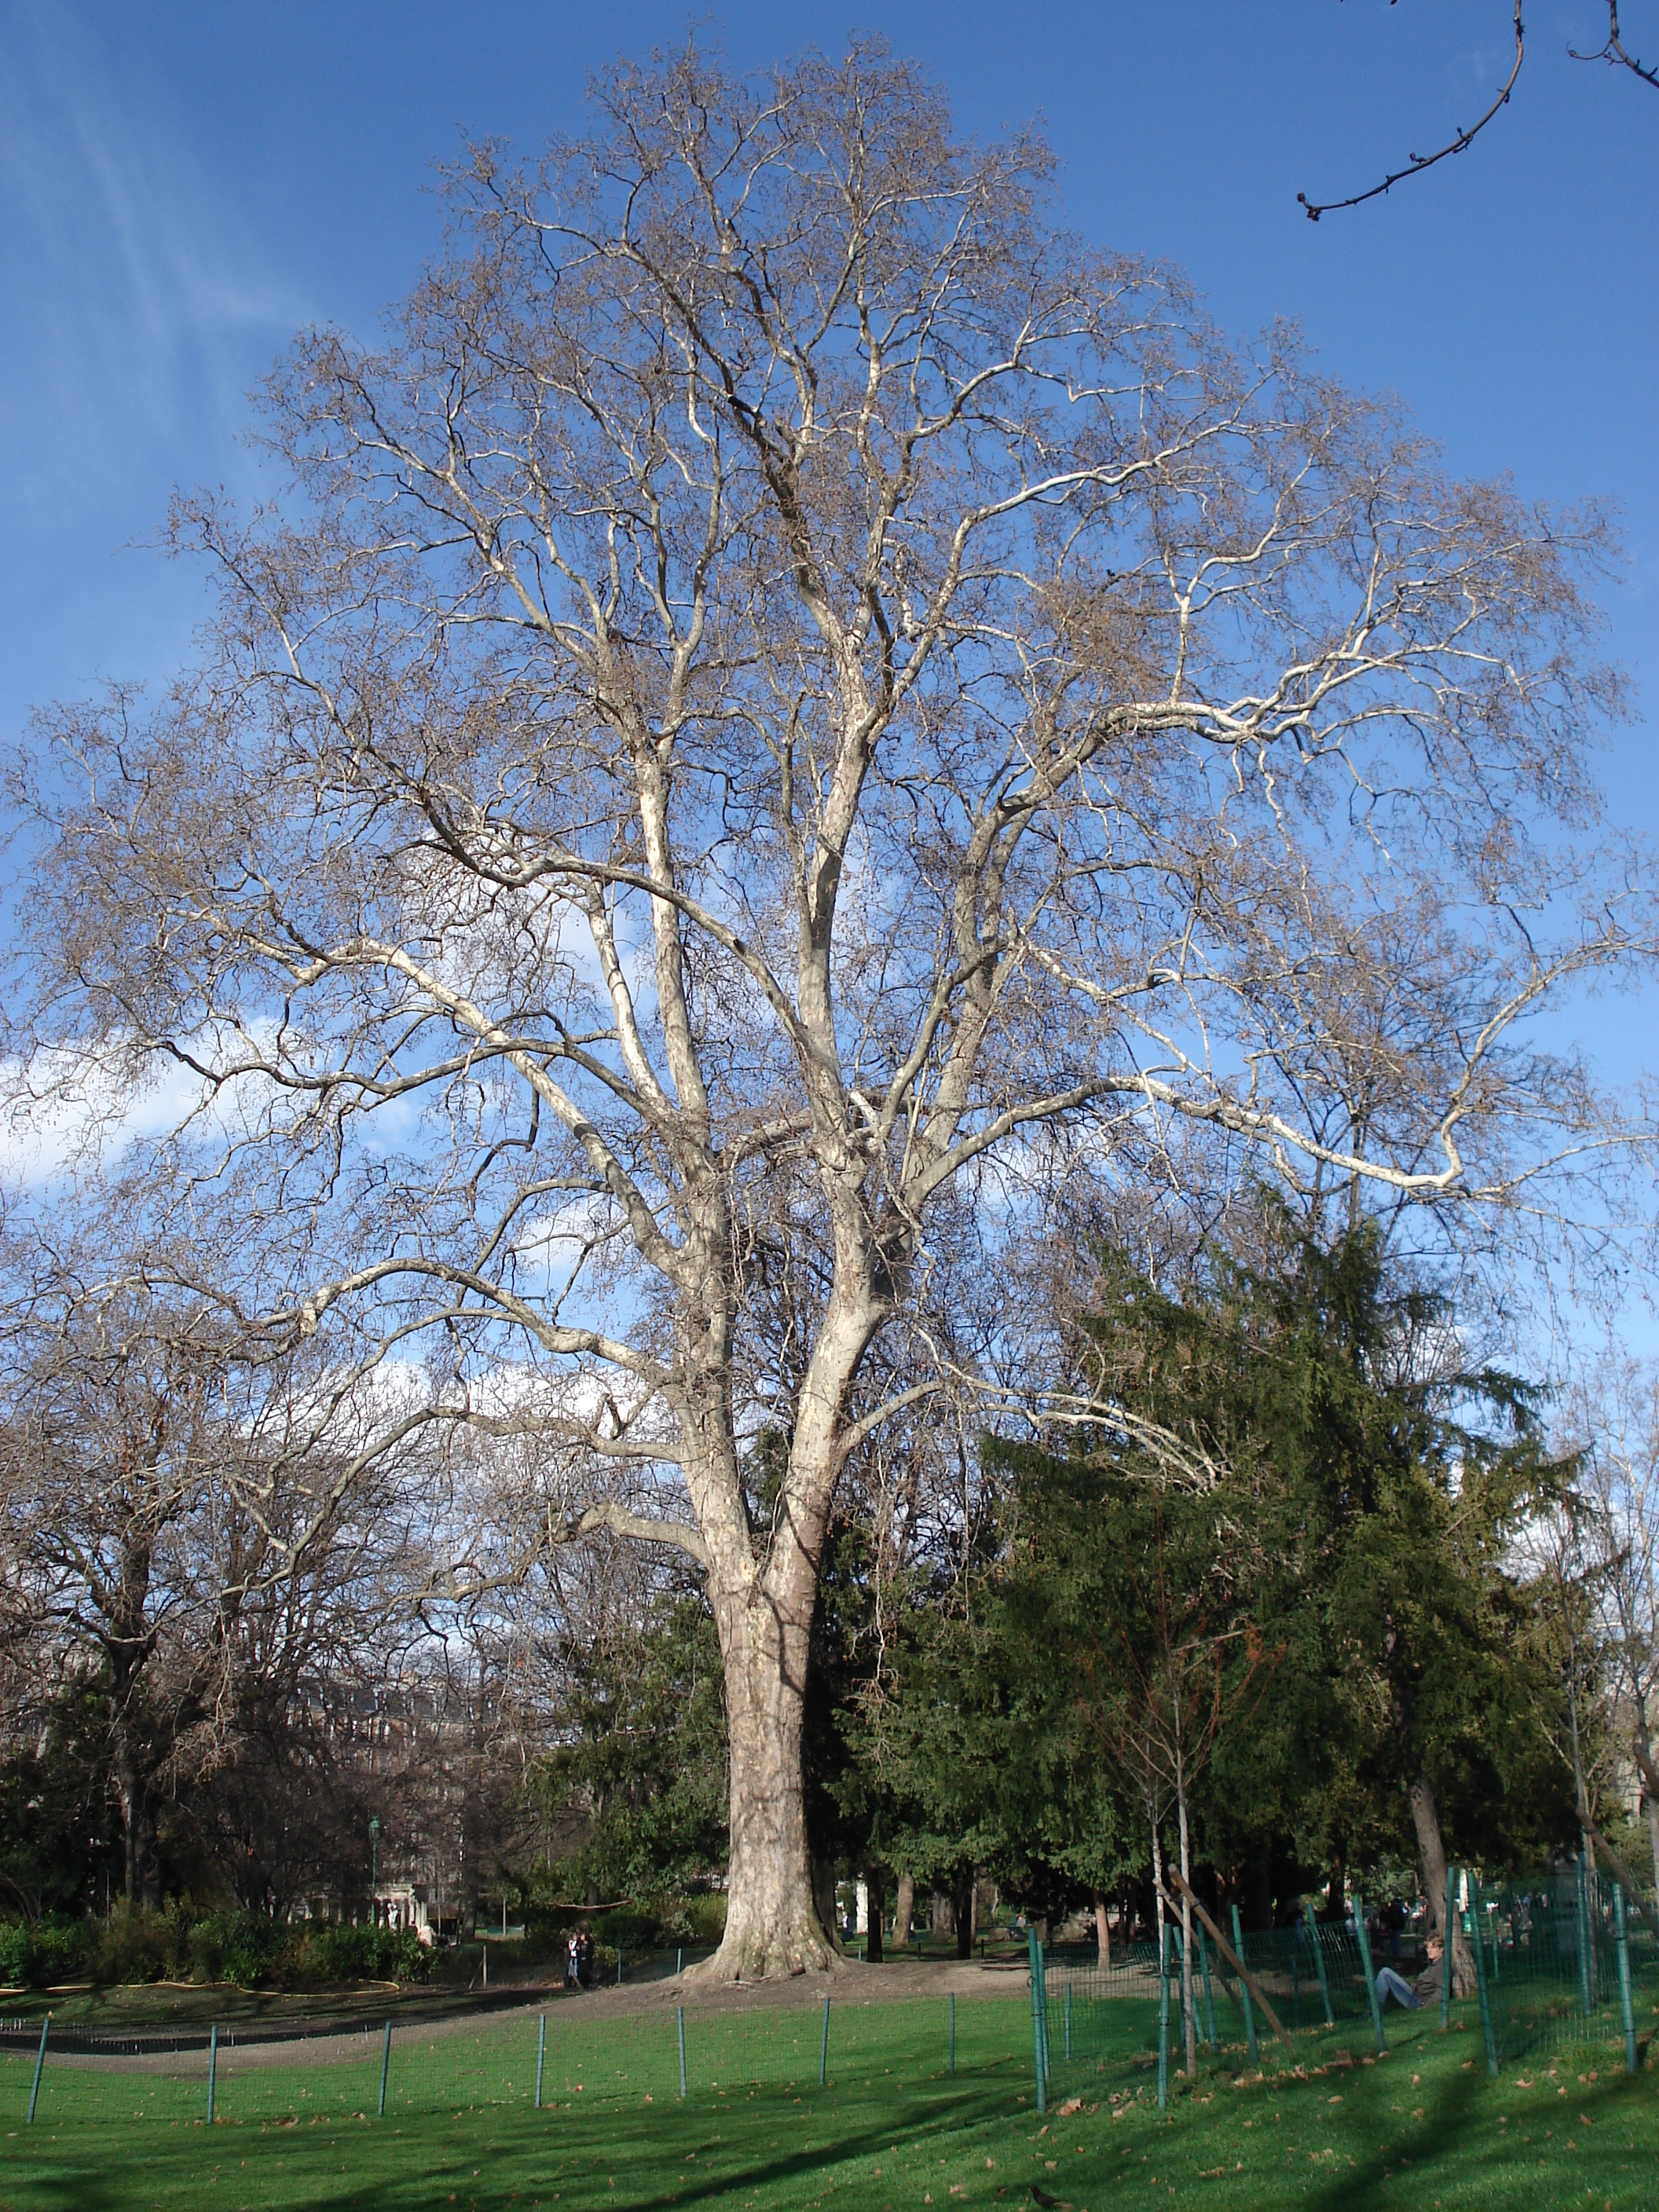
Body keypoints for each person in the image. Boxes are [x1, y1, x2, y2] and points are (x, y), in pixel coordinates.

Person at [1374, 1935, 1442, 2009]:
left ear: (1441, 1949)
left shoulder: (1441, 1966)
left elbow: (1442, 1990)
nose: (1429, 1951)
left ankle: (1374, 2010)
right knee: (1386, 1974)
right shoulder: (1434, 1964)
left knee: (1386, 1972)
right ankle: (1374, 2008)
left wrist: (1426, 2006)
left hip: (1417, 2001)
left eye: (1433, 1948)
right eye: (1428, 1948)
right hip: (1414, 1992)